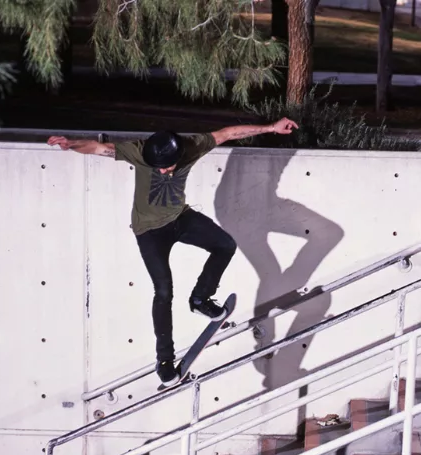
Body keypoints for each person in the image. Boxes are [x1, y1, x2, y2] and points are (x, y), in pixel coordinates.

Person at [47, 117, 299, 386]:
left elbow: (227, 132)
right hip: (149, 232)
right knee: (164, 291)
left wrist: (271, 128)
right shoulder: (140, 150)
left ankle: (200, 300)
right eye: (160, 168)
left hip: (181, 218)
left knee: (225, 245)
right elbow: (100, 148)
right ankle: (165, 360)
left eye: (169, 166)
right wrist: (71, 143)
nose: (165, 171)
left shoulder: (192, 146)